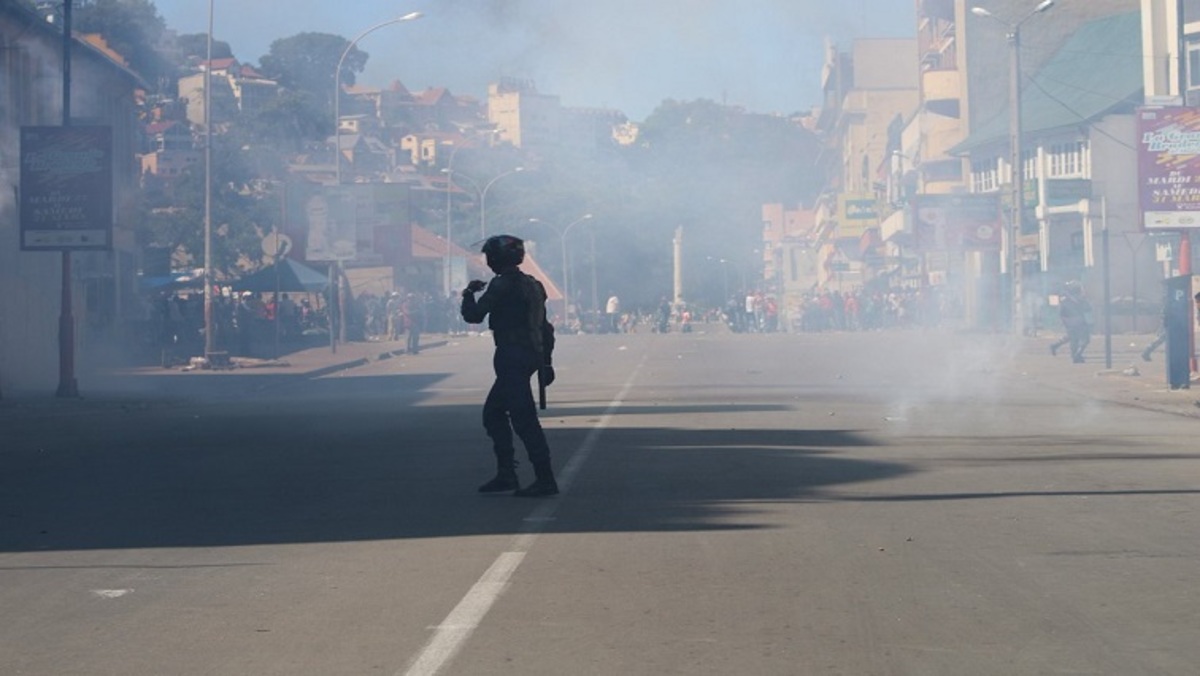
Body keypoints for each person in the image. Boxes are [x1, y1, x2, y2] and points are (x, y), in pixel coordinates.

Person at [461, 235, 559, 497]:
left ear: (496, 258)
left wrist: (468, 293)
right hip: (530, 355)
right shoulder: (533, 284)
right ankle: (507, 474)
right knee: (494, 413)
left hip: (510, 356)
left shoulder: (501, 285)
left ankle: (544, 478)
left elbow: (473, 315)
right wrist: (546, 362)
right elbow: (545, 328)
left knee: (523, 419)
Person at [1049, 280, 1092, 364]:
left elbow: (1062, 312)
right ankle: (1076, 355)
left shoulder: (1066, 299)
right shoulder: (1077, 299)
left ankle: (1056, 346)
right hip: (1077, 321)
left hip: (1070, 322)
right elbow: (1088, 308)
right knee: (1084, 339)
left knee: (1072, 337)